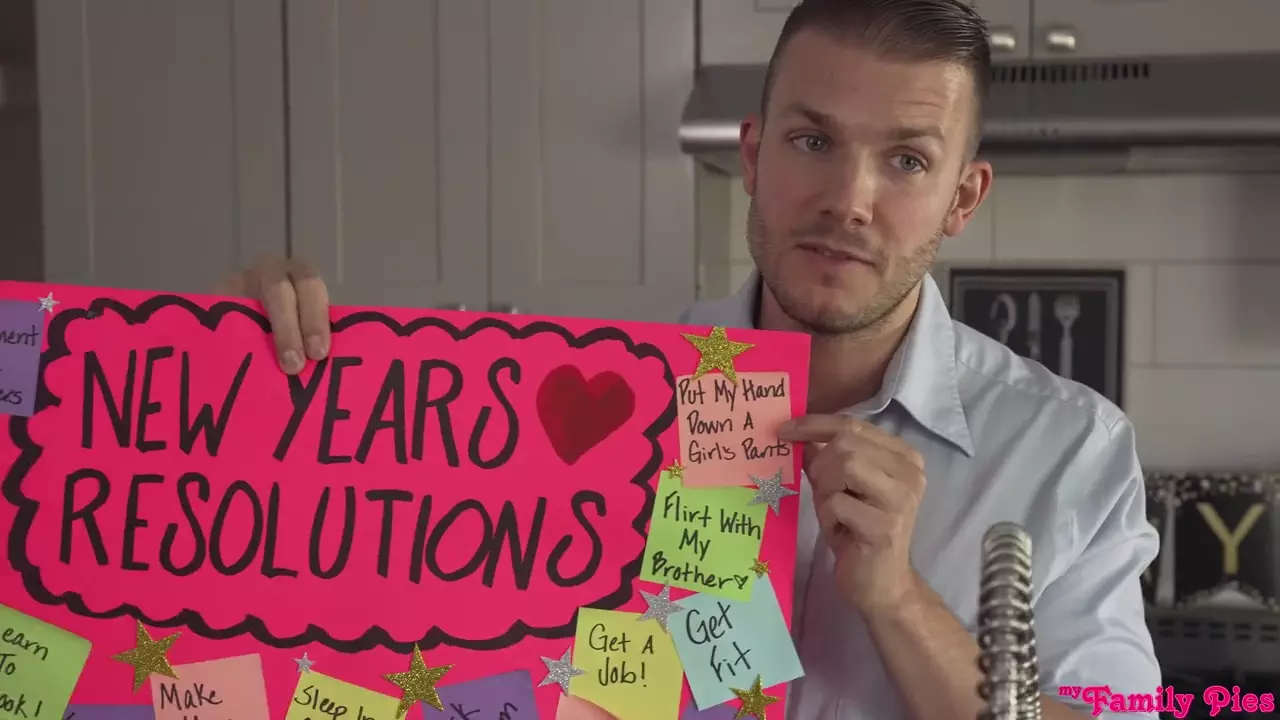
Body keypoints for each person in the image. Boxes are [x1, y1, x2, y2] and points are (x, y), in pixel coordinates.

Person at [222, 0, 1160, 717]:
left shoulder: (1069, 452)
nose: (848, 199)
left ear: (963, 198)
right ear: (752, 156)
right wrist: (241, 382)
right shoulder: (592, 411)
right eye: (812, 140)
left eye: (907, 161)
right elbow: (383, 628)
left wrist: (900, 603)